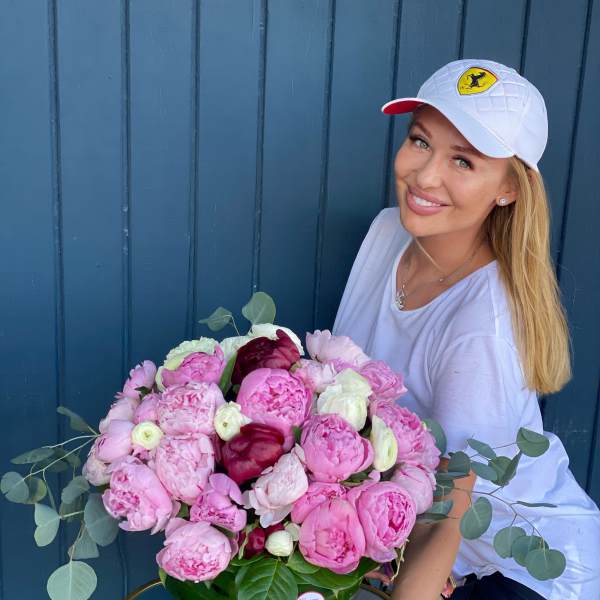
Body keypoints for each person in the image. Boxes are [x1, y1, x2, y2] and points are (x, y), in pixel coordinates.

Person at [332, 59, 600, 600]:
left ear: (510, 188)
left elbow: (449, 511)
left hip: (516, 568)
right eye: (420, 141)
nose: (425, 176)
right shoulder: (387, 232)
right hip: (408, 541)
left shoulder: (485, 327)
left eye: (463, 160)